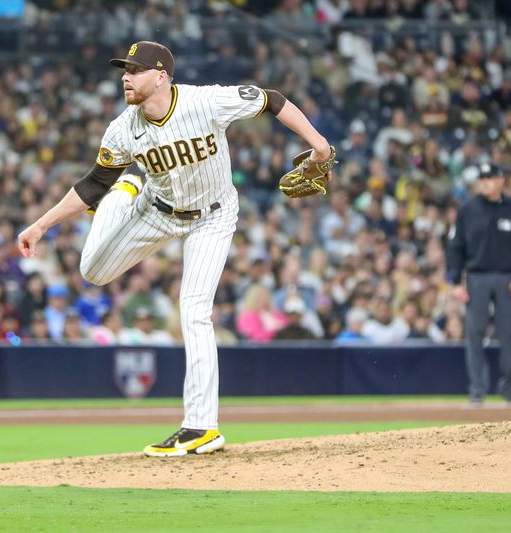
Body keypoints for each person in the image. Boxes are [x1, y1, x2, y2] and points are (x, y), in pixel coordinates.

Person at [18, 41, 332, 457]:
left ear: (162, 75)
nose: (126, 77)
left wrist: (321, 146)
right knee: (92, 271)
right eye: (124, 70)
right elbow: (92, 184)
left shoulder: (206, 101)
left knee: (194, 309)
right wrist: (40, 225)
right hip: (156, 211)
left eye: (135, 69)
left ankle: (201, 427)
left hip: (214, 215)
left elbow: (271, 100)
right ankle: (127, 189)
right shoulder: (123, 128)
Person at [446, 163, 511, 406]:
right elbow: (455, 247)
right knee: (474, 335)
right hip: (476, 277)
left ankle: (509, 388)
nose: (485, 181)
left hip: (507, 278)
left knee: (508, 333)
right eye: (482, 177)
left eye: (490, 177)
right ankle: (477, 390)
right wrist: (455, 281)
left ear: (500, 180)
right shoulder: (467, 210)